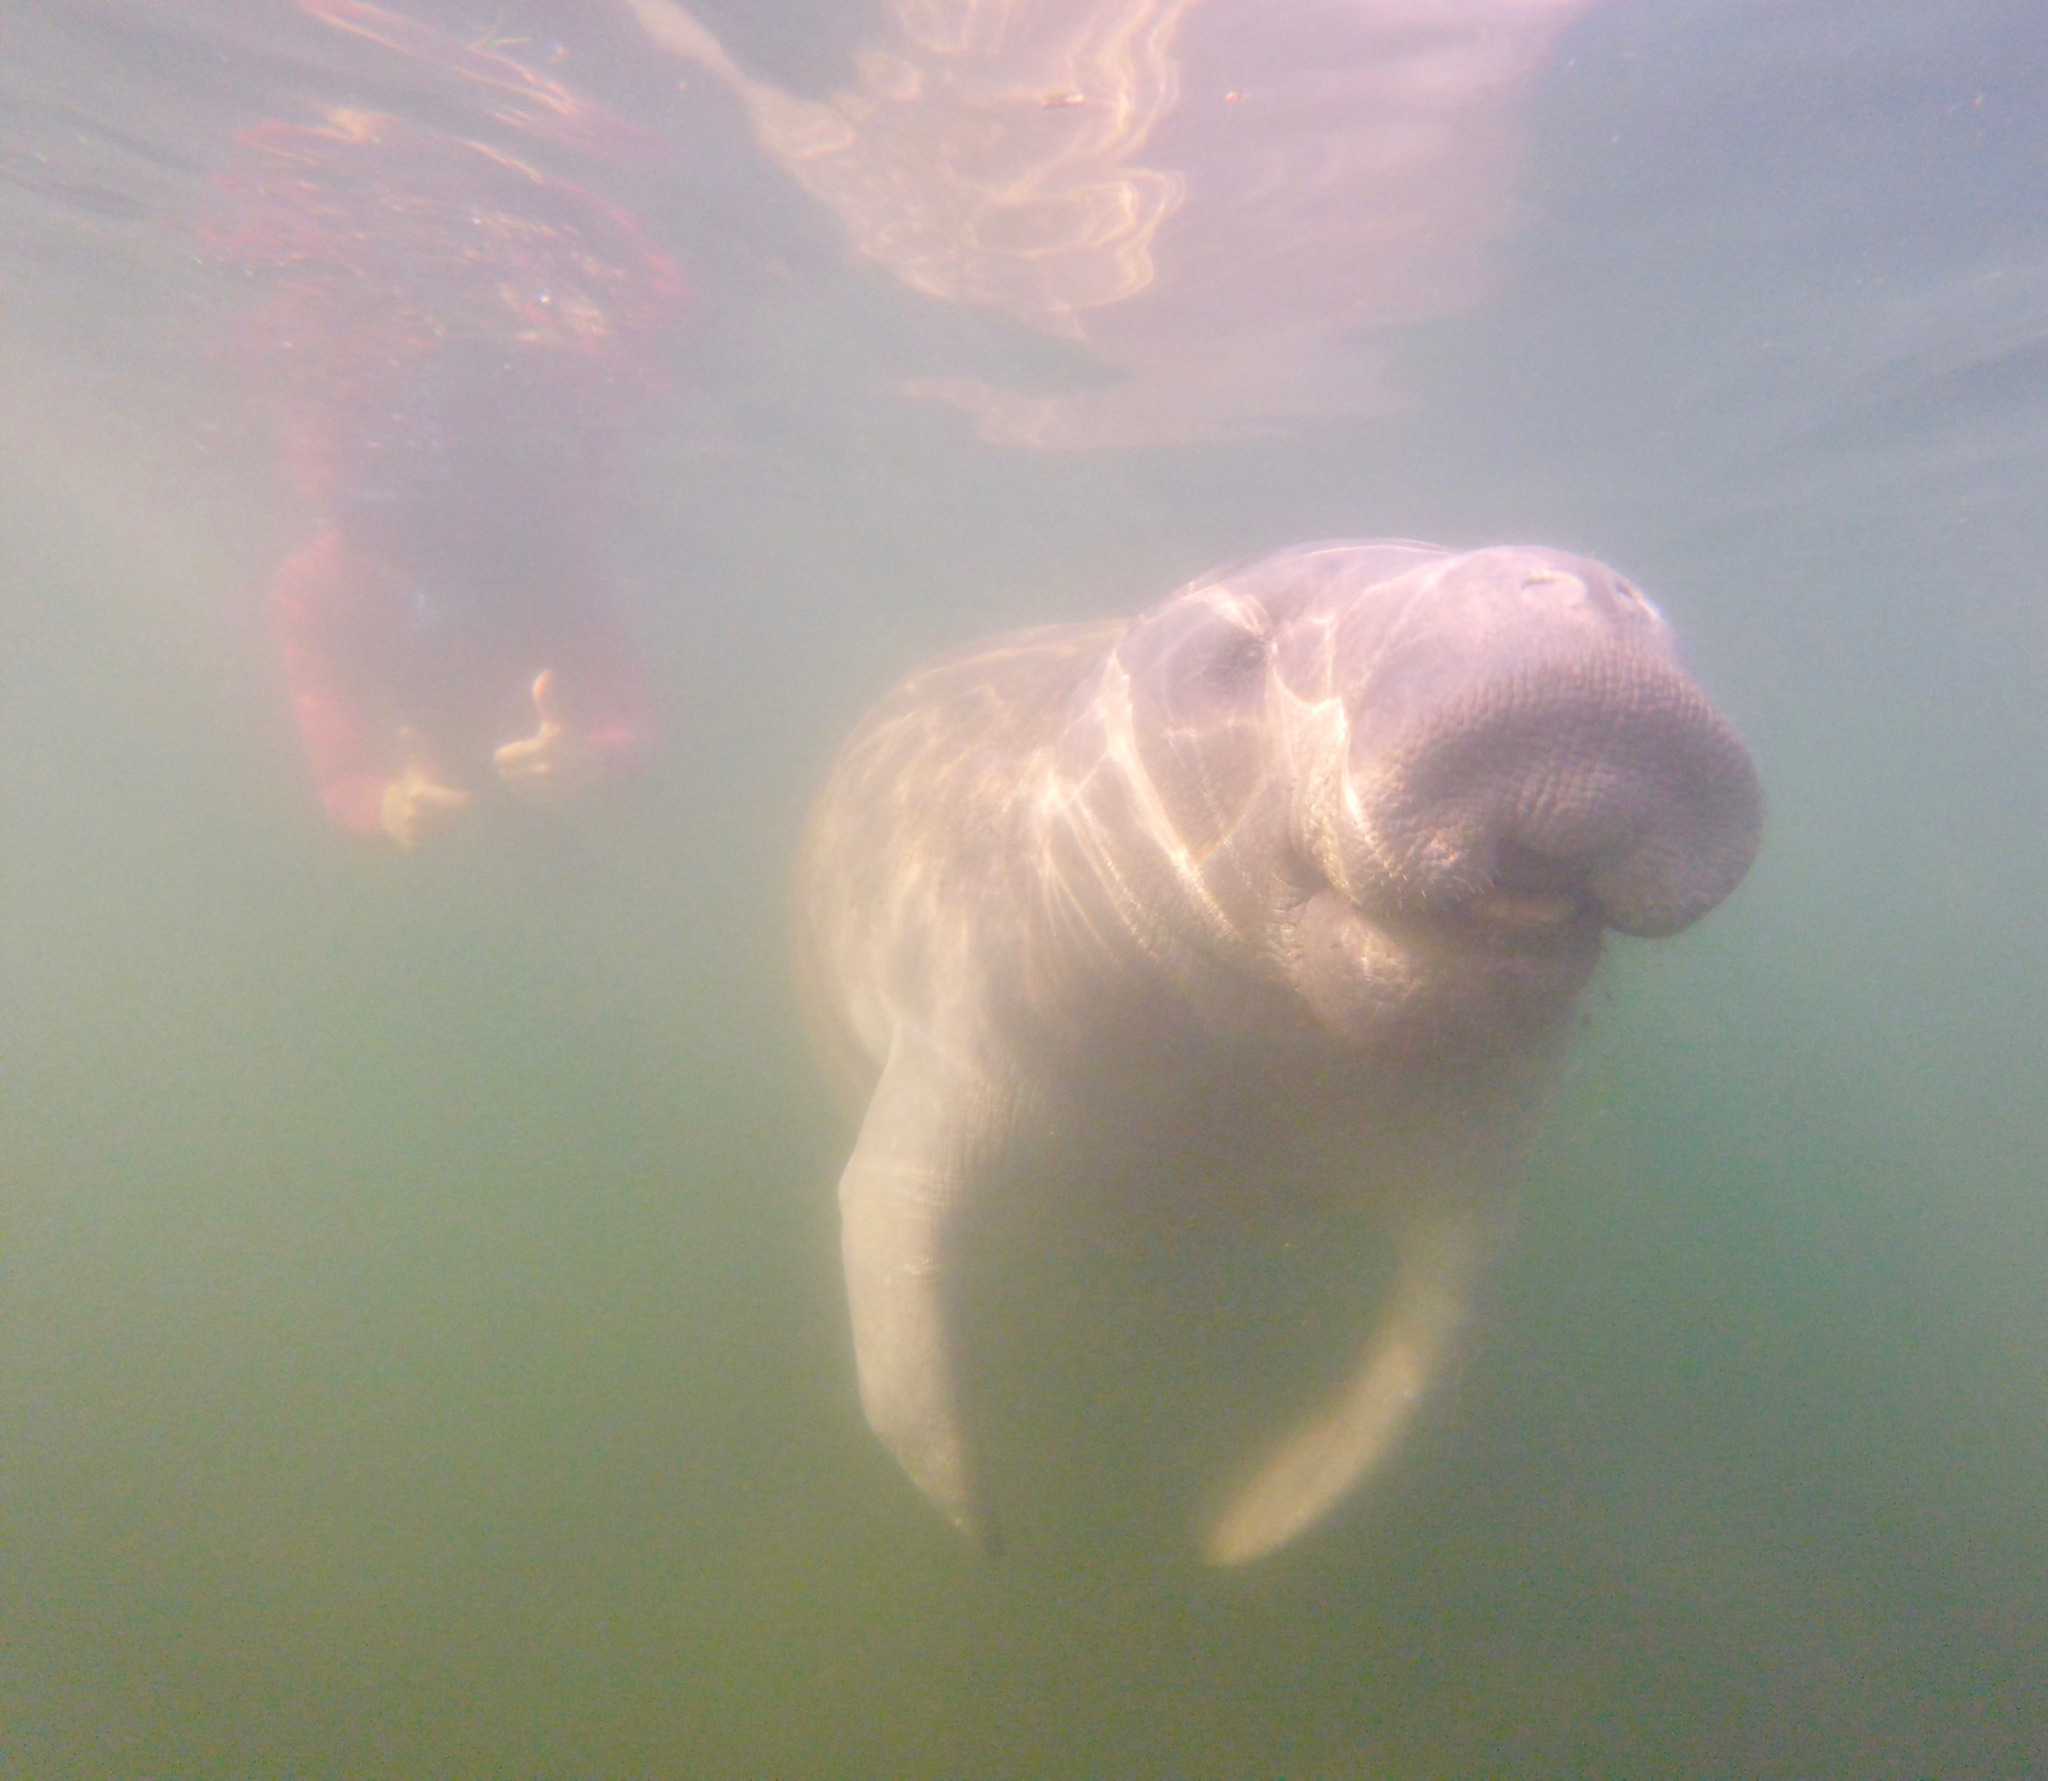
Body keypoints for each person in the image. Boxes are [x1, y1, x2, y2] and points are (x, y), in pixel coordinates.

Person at [212, 74, 683, 845]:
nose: (411, 506)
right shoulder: (315, 587)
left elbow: (626, 717)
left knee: (566, 858)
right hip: (451, 778)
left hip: (542, 795)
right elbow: (341, 773)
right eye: (377, 483)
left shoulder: (547, 551)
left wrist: (594, 762)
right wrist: (387, 806)